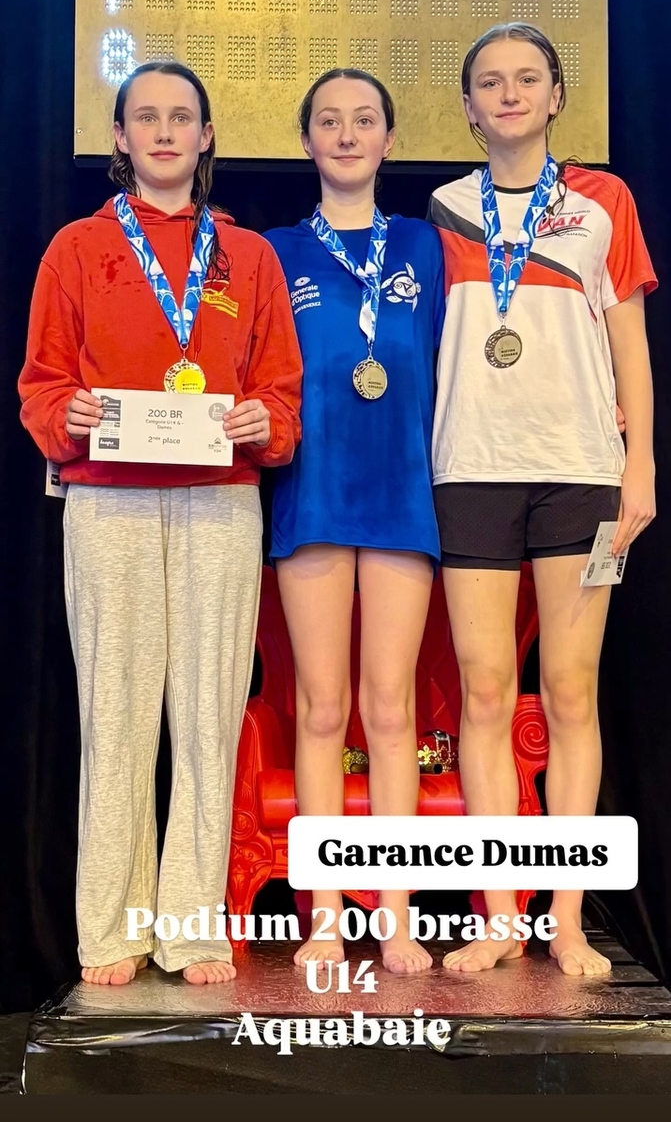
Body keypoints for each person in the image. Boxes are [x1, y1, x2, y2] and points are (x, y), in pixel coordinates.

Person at [18, 61, 302, 987]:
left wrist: (264, 421)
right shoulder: (76, 249)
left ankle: (191, 927)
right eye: (147, 117)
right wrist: (66, 415)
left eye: (183, 116)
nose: (166, 131)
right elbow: (41, 384)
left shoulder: (247, 256)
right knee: (117, 716)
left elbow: (281, 393)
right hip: (109, 500)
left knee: (209, 718)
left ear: (207, 135)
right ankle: (112, 929)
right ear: (121, 137)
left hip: (220, 501)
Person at [428, 23, 657, 976]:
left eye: (527, 78)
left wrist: (640, 464)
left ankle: (564, 918)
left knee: (568, 690)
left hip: (580, 471)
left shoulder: (603, 201)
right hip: (470, 471)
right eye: (490, 82)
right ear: (469, 107)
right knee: (484, 692)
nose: (510, 93)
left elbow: (628, 339)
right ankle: (498, 917)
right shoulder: (442, 210)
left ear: (556, 96)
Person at [264, 68, 446, 974]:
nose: (345, 134)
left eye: (363, 120)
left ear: (387, 139)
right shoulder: (273, 252)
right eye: (329, 121)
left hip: (401, 494)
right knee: (322, 706)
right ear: (306, 141)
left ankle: (398, 916)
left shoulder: (423, 246)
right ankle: (327, 915)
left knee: (389, 707)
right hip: (313, 493)